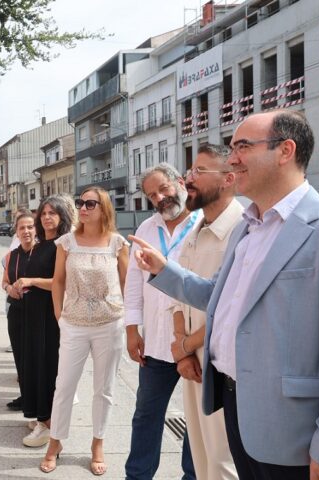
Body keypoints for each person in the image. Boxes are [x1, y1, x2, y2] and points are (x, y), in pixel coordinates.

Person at [130, 110, 319, 480]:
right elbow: (217, 296)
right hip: (234, 404)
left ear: (285, 151)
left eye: (243, 147)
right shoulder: (249, 227)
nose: (233, 159)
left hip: (292, 430)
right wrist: (163, 270)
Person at [39, 187, 129, 475]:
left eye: (91, 204)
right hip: (74, 324)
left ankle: (97, 443)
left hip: (109, 324)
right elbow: (58, 281)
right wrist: (59, 315)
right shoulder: (66, 243)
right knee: (64, 385)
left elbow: (128, 283)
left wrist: (131, 321)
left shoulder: (117, 243)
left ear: (104, 208)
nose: (83, 208)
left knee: (104, 389)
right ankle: (55, 442)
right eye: (81, 202)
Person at [170, 145, 241, 480]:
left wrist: (185, 346)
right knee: (201, 458)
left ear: (228, 179)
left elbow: (229, 308)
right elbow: (178, 296)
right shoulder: (196, 229)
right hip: (192, 362)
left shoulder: (241, 230)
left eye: (199, 171)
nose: (189, 179)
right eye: (190, 171)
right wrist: (182, 350)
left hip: (219, 366)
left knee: (223, 463)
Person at [124, 162, 198, 480]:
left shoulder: (203, 223)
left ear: (180, 182)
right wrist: (131, 330)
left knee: (197, 421)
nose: (159, 199)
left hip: (195, 342)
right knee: (146, 415)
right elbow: (133, 283)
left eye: (163, 189)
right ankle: (137, 476)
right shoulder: (146, 229)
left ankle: (193, 476)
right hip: (156, 343)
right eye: (152, 195)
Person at [17, 195, 72, 448]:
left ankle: (48, 424)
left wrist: (31, 281)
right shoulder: (39, 245)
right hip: (33, 314)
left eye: (53, 213)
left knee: (48, 368)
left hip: (51, 315)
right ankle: (40, 416)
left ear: (62, 217)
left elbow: (62, 283)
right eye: (44, 213)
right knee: (34, 366)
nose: (47, 217)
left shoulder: (63, 245)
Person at [1, 209, 36, 413]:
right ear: (16, 232)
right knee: (20, 354)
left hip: (37, 311)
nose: (26, 231)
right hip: (16, 310)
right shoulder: (11, 256)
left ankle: (36, 398)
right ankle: (25, 396)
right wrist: (9, 289)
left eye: (30, 227)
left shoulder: (43, 253)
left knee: (35, 355)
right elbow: (4, 281)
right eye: (22, 228)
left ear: (36, 229)